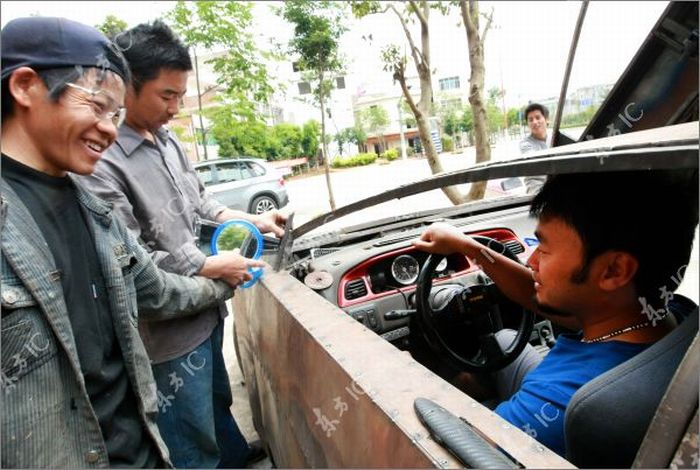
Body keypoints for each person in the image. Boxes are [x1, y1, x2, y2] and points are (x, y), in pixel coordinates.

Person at [0, 16, 263, 468]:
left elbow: (152, 286)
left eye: (114, 114)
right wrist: (212, 271)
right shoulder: (85, 180)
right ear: (26, 86)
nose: (107, 128)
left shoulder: (87, 202)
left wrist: (223, 281)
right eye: (98, 105)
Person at [79, 20, 285, 468]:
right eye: (166, 96)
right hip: (167, 333)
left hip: (207, 312)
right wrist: (214, 267)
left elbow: (204, 204)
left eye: (180, 95)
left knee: (216, 402)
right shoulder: (101, 163)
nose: (176, 107)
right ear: (127, 87)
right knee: (187, 434)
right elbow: (130, 260)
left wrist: (255, 219)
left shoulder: (169, 141)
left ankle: (231, 454)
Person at [413, 169, 698, 456]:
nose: (530, 260)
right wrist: (469, 247)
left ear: (614, 270)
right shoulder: (667, 313)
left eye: (544, 250)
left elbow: (459, 454)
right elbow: (539, 296)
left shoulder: (556, 403)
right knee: (502, 339)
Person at [520, 103, 550, 194]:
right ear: (528, 124)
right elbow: (537, 162)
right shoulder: (525, 144)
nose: (534, 122)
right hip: (537, 188)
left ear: (547, 120)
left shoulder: (556, 137)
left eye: (538, 117)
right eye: (530, 120)